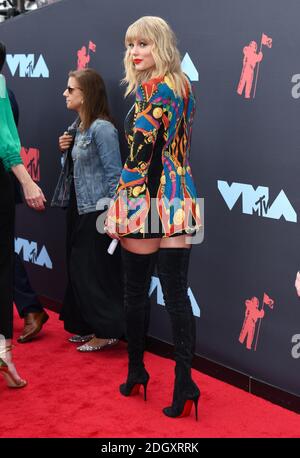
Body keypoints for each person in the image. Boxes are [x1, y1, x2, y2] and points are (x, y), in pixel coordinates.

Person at [106, 16, 201, 419]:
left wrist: (116, 208)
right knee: (177, 297)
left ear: (160, 46)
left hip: (144, 202)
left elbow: (138, 158)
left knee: (135, 291)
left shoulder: (154, 92)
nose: (134, 52)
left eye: (143, 44)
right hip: (180, 197)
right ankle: (185, 383)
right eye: (130, 45)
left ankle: (137, 371)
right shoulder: (183, 87)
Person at [52, 68, 124, 351]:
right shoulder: (76, 129)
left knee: (94, 271)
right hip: (78, 207)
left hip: (97, 210)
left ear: (87, 95)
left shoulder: (102, 129)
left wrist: (112, 215)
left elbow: (114, 174)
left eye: (71, 90)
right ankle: (87, 324)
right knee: (79, 269)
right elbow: (74, 173)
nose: (65, 93)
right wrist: (64, 152)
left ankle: (107, 331)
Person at [0, 42, 49, 343]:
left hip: (4, 177)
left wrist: (26, 181)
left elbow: (7, 140)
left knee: (4, 256)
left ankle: (29, 308)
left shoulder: (5, 91)